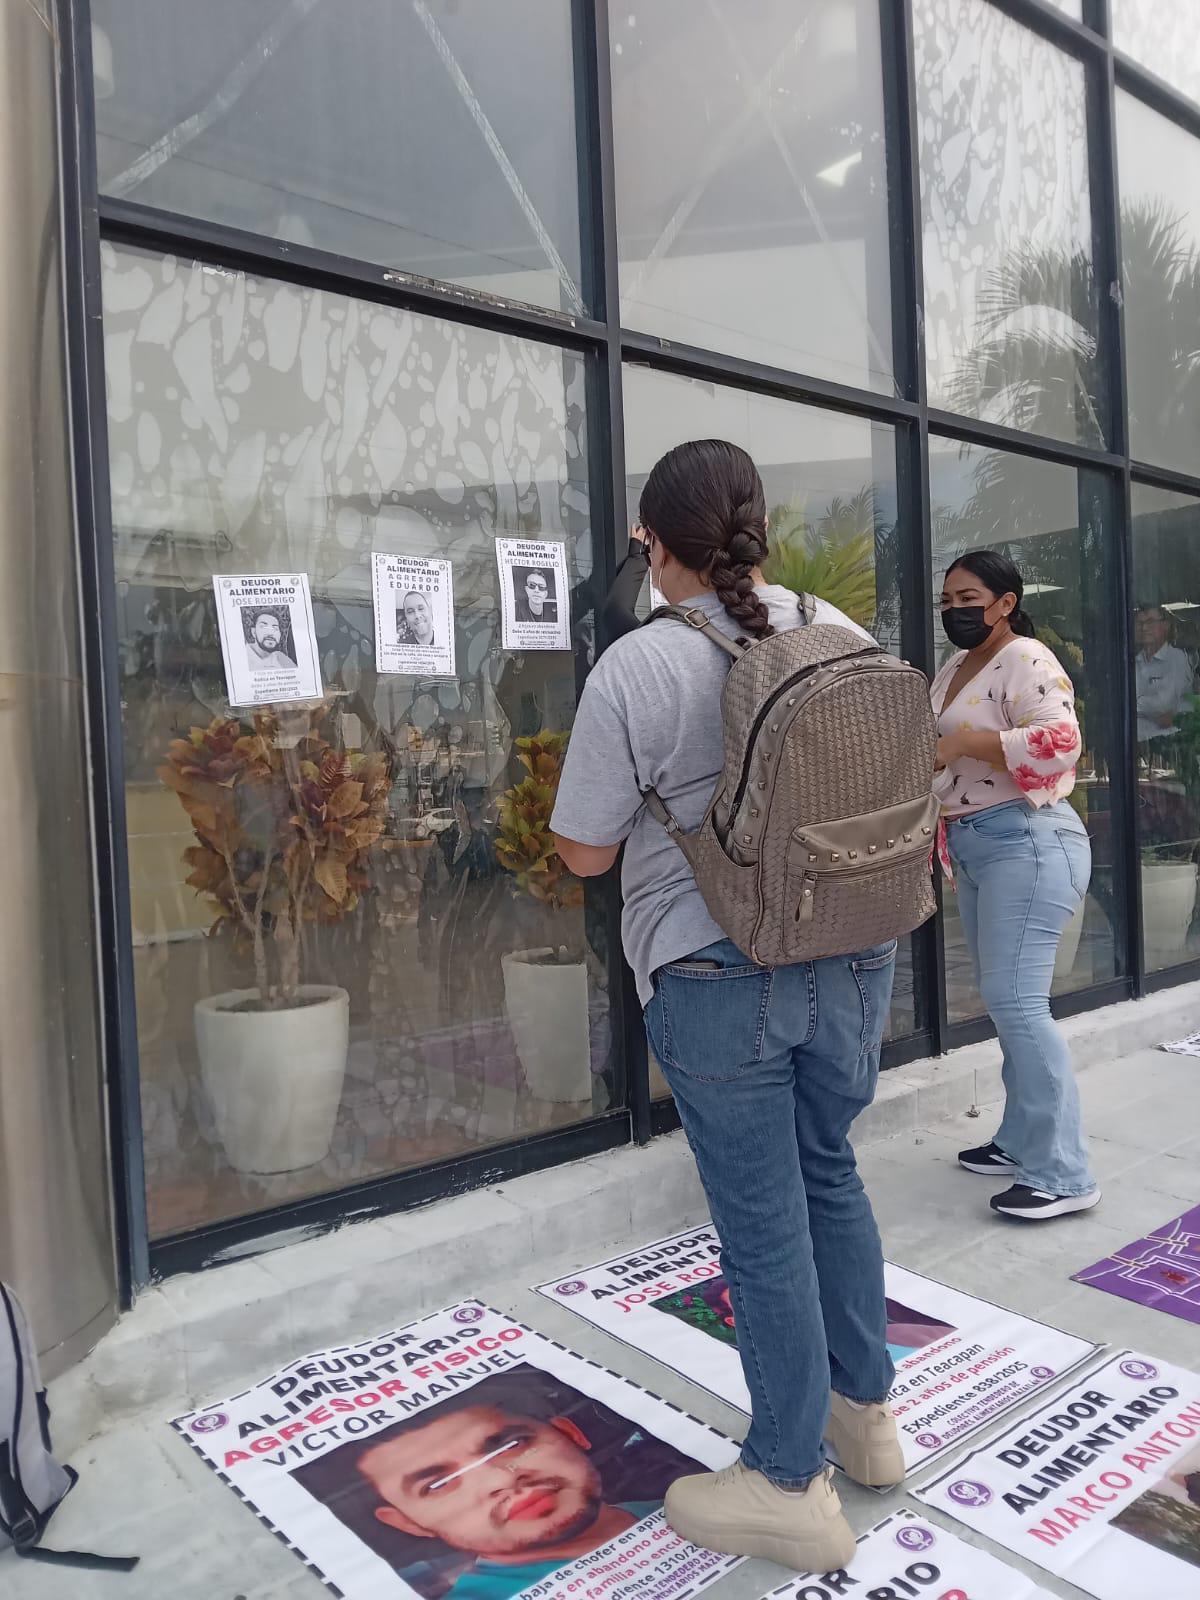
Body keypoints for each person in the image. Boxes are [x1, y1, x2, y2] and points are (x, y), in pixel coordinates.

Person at [551, 438, 903, 1573]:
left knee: (761, 1223)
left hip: (717, 971)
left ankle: (789, 1481)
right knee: (829, 1172)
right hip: (855, 955)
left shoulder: (637, 668)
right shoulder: (839, 630)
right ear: (758, 528)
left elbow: (582, 853)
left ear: (655, 544)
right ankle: (868, 1418)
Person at [932, 550, 1099, 1222]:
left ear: (1004, 601)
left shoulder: (1026, 656)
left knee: (1017, 1000)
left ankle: (1063, 1172)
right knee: (1007, 1004)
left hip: (1027, 838)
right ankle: (1019, 1138)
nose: (955, 610)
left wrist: (970, 743)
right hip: (977, 844)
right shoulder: (954, 668)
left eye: (967, 597)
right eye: (946, 601)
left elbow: (1061, 740)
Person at [355, 1399, 659, 1600]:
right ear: (409, 1523)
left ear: (569, 1434)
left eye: (512, 1444)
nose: (503, 1479)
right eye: (438, 1484)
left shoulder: (676, 1504)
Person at [1135, 604, 1193, 746]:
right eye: (1140, 623)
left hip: (1169, 746)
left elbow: (1163, 704)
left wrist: (1134, 705)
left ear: (1166, 625)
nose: (1144, 628)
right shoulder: (1134, 662)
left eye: (1150, 622)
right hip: (1137, 746)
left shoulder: (1177, 659)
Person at [245, 606, 295, 670]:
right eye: (263, 627)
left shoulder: (280, 658)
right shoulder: (242, 657)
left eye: (275, 628)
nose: (270, 633)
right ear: (253, 632)